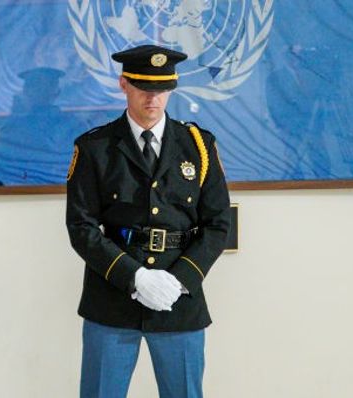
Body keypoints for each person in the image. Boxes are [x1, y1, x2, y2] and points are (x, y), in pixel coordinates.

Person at [65, 44, 232, 398]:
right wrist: (134, 276)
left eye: (161, 90)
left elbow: (218, 223)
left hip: (179, 299)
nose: (152, 99)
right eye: (143, 88)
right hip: (111, 299)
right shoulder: (96, 147)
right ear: (124, 84)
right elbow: (81, 227)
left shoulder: (198, 146)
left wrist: (182, 279)